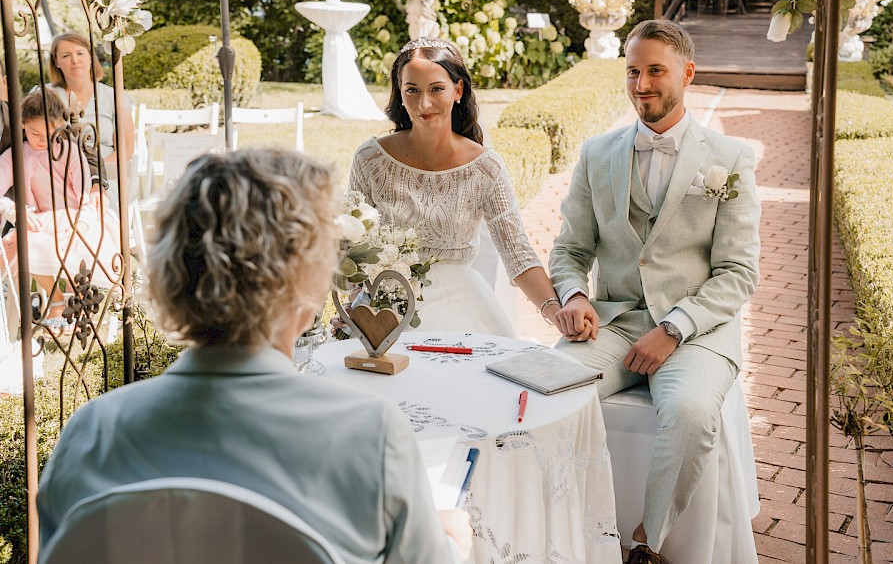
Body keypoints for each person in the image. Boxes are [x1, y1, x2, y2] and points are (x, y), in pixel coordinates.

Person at [37, 149, 473, 563]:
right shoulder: (371, 437)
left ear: (168, 277)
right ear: (307, 289)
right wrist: (450, 543)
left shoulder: (90, 436)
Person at [549, 19, 761, 563]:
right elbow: (570, 249)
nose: (641, 85)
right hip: (615, 323)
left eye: (655, 71)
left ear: (687, 73)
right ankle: (564, 530)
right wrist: (574, 296)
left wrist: (673, 329)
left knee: (689, 413)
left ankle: (648, 542)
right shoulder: (597, 154)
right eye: (632, 72)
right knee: (547, 390)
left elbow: (738, 272)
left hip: (697, 331)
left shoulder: (730, 158)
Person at [349, 37, 561, 337]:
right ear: (400, 92)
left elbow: (517, 253)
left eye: (436, 89)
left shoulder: (486, 167)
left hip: (462, 306)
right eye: (412, 90)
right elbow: (354, 247)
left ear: (458, 90)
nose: (423, 103)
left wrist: (556, 312)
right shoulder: (370, 158)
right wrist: (355, 308)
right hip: (385, 306)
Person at [0, 88, 120, 317]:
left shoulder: (70, 152)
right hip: (41, 223)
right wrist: (12, 209)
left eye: (49, 133)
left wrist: (71, 223)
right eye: (35, 133)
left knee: (74, 244)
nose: (43, 140)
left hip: (79, 218)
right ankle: (56, 301)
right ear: (23, 124)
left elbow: (86, 202)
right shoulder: (17, 155)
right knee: (25, 241)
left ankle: (75, 305)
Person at [46, 32, 135, 201]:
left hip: (107, 174)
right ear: (56, 62)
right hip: (58, 176)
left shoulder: (113, 96)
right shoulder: (45, 95)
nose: (74, 60)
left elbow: (126, 149)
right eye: (66, 55)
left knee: (103, 203)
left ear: (90, 57)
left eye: (80, 53)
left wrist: (94, 172)